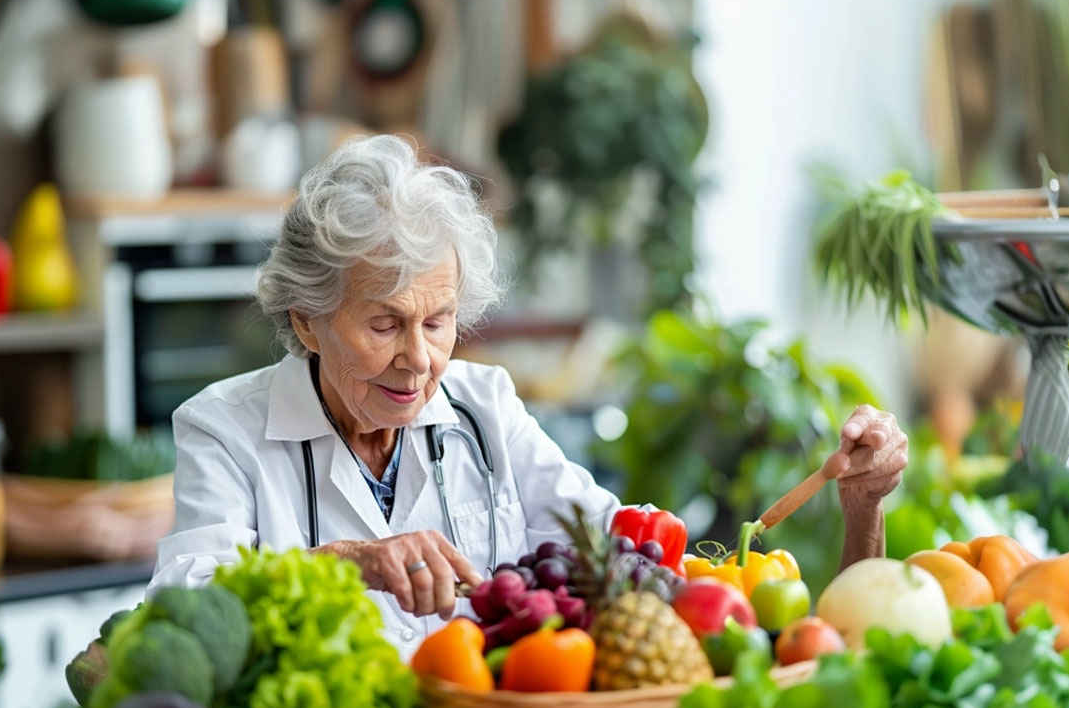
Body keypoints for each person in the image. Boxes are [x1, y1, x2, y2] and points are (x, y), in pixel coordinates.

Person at [149, 135, 908, 656]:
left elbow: (627, 551)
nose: (419, 360)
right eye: (384, 324)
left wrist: (859, 507)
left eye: (438, 322)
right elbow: (181, 608)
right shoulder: (224, 429)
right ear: (306, 323)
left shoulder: (485, 407)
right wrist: (349, 561)